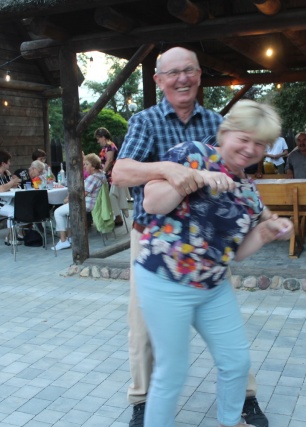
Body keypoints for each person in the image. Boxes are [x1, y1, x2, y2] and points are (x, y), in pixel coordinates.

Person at [112, 47, 269, 427]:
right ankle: (143, 401)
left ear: (199, 75)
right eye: (173, 72)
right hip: (155, 242)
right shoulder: (146, 121)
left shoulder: (216, 122)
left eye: (189, 70)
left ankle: (244, 399)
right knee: (143, 329)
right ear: (158, 80)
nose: (182, 78)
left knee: (230, 338)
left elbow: (239, 170)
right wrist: (170, 169)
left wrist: (265, 221)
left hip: (210, 245)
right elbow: (121, 173)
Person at [135, 100, 292, 427]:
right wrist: (197, 177)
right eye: (244, 138)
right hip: (165, 279)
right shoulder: (193, 154)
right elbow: (152, 202)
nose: (250, 149)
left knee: (236, 361)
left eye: (260, 144)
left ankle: (230, 421)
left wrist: (266, 232)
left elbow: (234, 252)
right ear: (225, 133)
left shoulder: (249, 190)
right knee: (172, 372)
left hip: (213, 286)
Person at [52, 154, 106, 251]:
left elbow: (82, 194)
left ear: (93, 167)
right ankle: (70, 237)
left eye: (86, 164)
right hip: (93, 202)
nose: (84, 166)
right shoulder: (102, 175)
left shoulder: (92, 178)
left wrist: (67, 199)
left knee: (57, 212)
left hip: (86, 204)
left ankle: (63, 240)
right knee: (65, 211)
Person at [95, 127, 126, 225]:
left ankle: (118, 217)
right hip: (109, 175)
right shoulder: (107, 147)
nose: (98, 141)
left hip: (111, 175)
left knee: (111, 195)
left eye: (98, 139)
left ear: (103, 137)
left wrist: (103, 173)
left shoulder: (109, 146)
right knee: (110, 196)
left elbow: (109, 160)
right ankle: (116, 217)